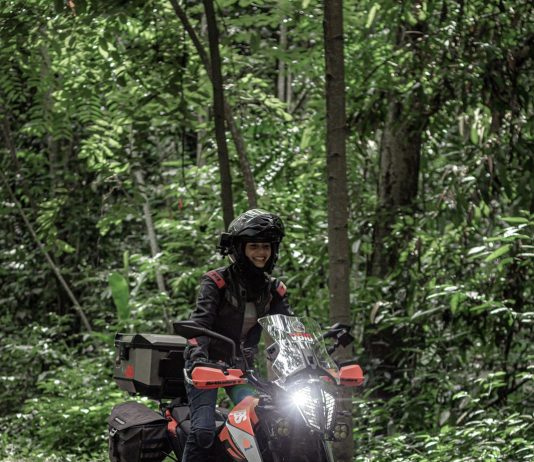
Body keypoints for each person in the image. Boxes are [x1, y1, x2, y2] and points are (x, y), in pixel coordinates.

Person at [181, 209, 293, 462]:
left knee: (264, 421)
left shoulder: (273, 289)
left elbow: (289, 329)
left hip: (241, 369)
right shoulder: (216, 281)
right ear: (239, 249)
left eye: (266, 246)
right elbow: (199, 324)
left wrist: (313, 354)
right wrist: (198, 357)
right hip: (206, 368)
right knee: (203, 431)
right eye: (254, 246)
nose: (261, 253)